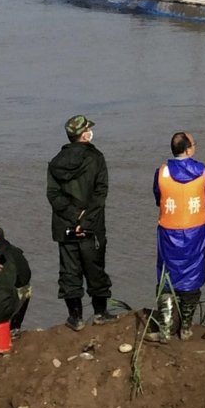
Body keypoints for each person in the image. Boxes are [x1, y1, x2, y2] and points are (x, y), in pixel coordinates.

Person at [47, 114, 121, 330]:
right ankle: (100, 313)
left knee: (69, 271)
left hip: (64, 225)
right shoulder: (96, 158)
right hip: (92, 225)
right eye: (88, 128)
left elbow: (53, 194)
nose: (91, 131)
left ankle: (76, 318)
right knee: (95, 268)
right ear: (83, 134)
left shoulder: (55, 162)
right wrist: (85, 218)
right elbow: (101, 192)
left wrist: (72, 215)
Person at [151, 130, 205, 342]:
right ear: (188, 149)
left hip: (169, 232)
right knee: (192, 276)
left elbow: (158, 197)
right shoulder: (202, 171)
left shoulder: (162, 172)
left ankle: (166, 329)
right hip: (195, 231)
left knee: (166, 277)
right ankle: (186, 326)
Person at [0, 224, 31, 335]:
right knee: (27, 289)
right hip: (4, 308)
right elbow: (25, 278)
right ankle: (14, 328)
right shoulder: (14, 253)